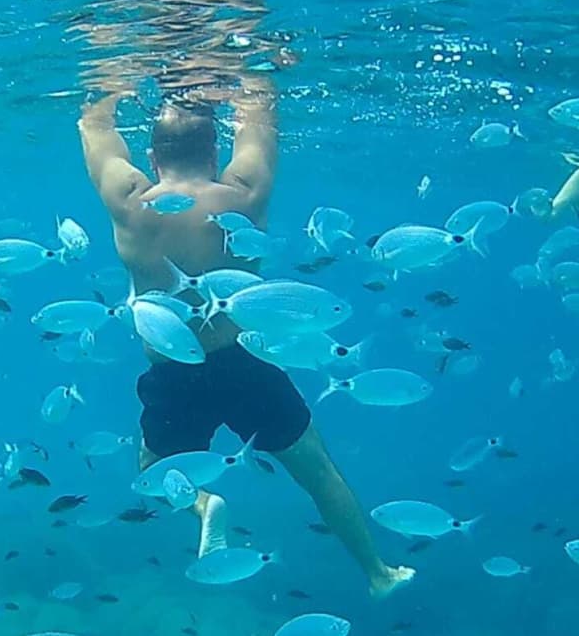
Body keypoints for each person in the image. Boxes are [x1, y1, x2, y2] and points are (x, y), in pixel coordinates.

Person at [77, 81, 415, 597]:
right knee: (318, 472)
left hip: (173, 368)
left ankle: (204, 504)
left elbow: (95, 127)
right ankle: (377, 572)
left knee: (155, 468)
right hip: (245, 360)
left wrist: (114, 82)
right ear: (215, 150)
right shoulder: (244, 194)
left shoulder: (129, 202)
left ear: (150, 156)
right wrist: (247, 77)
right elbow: (260, 119)